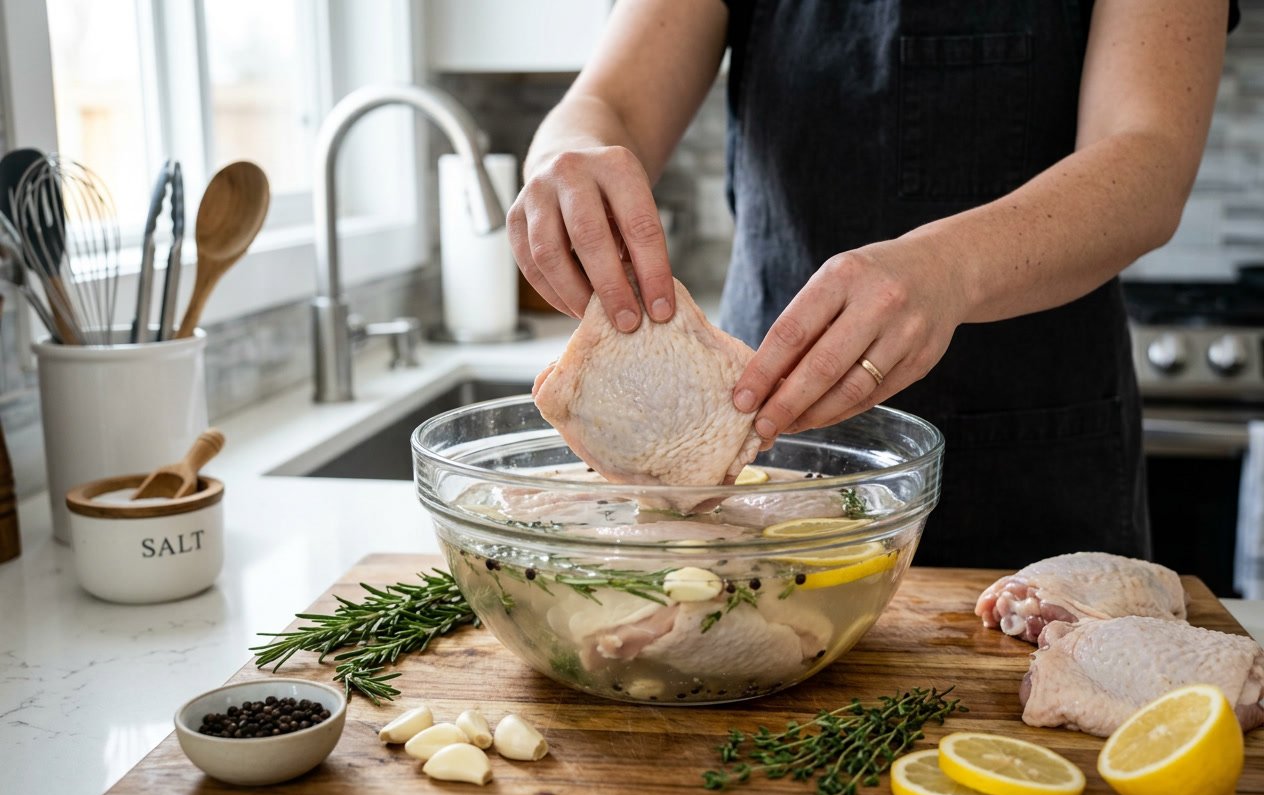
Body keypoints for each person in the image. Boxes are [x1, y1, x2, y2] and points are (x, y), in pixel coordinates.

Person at [506, 0, 1239, 567]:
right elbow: (613, 103)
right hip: (759, 453)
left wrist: (949, 267)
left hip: (1037, 460)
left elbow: (1146, 157)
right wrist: (568, 154)